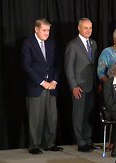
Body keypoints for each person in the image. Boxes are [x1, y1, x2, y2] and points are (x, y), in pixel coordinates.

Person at [21, 18, 63, 155]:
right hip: (36, 87)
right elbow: (27, 66)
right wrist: (42, 82)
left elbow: (57, 64)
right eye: (44, 30)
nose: (47, 33)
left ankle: (49, 143)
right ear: (36, 29)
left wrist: (54, 81)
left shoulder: (51, 43)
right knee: (36, 119)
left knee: (52, 117)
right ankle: (34, 145)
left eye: (48, 30)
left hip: (51, 87)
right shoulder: (28, 43)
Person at [64, 18, 98, 152]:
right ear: (79, 28)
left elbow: (94, 65)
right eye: (85, 28)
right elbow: (68, 68)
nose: (88, 30)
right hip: (79, 87)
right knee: (78, 115)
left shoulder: (93, 43)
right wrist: (73, 86)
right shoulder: (72, 45)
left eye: (90, 28)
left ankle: (87, 140)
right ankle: (80, 142)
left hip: (92, 85)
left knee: (88, 115)